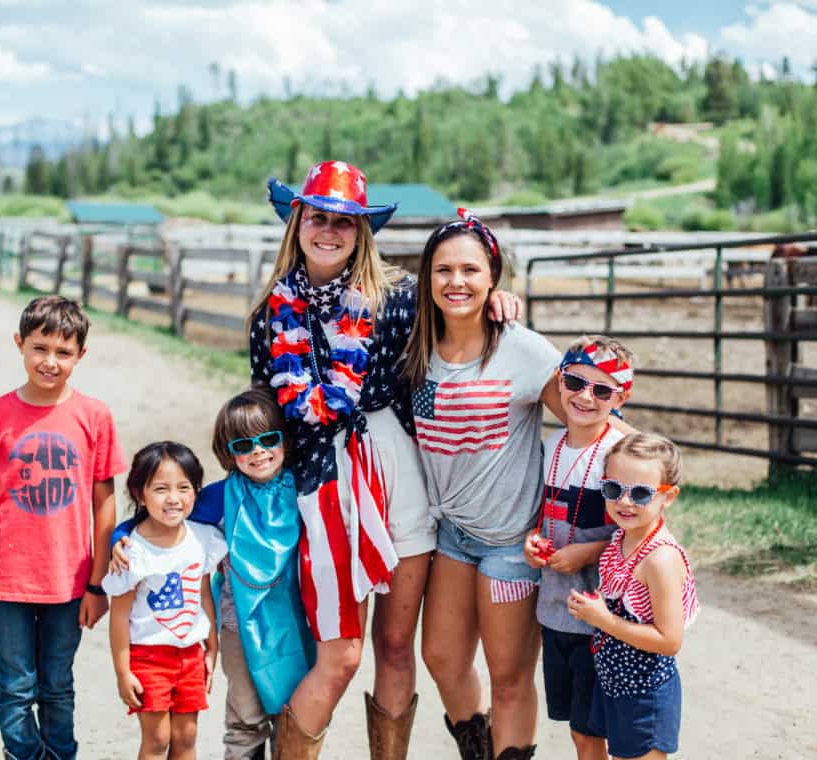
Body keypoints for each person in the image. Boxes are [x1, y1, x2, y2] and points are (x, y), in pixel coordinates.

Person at [253, 161, 519, 759]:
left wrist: (495, 296)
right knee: (340, 654)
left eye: (345, 221)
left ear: (362, 231)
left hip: (398, 470)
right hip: (320, 482)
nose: (330, 230)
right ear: (297, 222)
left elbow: (458, 312)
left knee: (396, 645)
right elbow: (263, 410)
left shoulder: (398, 295)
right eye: (318, 216)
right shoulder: (272, 311)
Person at [398, 210, 566, 760]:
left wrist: (642, 469)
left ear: (493, 276)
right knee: (443, 658)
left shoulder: (521, 349)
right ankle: (478, 746)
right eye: (443, 270)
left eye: (470, 269)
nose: (456, 281)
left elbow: (583, 415)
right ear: (427, 279)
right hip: (453, 535)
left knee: (509, 675)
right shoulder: (416, 347)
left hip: (511, 543)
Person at [0, 295, 125, 760]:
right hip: (7, 580)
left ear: (81, 355)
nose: (49, 362)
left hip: (69, 582)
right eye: (39, 348)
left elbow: (104, 502)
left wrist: (98, 583)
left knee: (57, 686)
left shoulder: (94, 416)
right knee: (15, 687)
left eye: (63, 352)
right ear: (19, 344)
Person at [111, 387, 314, 760]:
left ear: (285, 440)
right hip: (238, 624)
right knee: (245, 715)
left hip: (295, 621)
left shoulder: (304, 487)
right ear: (228, 451)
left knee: (294, 713)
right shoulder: (221, 496)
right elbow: (161, 518)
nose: (258, 451)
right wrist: (120, 536)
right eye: (243, 445)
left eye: (268, 439)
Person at [523, 336, 636, 760]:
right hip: (555, 613)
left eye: (602, 390)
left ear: (620, 397)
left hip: (600, 619)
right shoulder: (550, 447)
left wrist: (586, 554)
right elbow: (541, 516)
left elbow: (640, 530)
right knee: (577, 730)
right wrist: (532, 543)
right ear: (560, 380)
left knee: (595, 732)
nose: (585, 397)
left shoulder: (619, 456)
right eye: (575, 382)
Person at [567, 433, 701, 760]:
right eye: (613, 490)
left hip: (645, 694)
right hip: (613, 682)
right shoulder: (622, 537)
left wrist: (603, 619)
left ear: (668, 497)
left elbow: (669, 640)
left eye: (641, 493)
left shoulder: (660, 560)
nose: (625, 502)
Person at [102, 441, 226, 760]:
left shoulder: (202, 538)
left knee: (187, 737)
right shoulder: (132, 551)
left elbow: (202, 594)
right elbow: (119, 615)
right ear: (139, 493)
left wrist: (212, 646)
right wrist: (122, 671)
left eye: (184, 487)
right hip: (148, 659)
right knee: (157, 740)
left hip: (191, 656)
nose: (173, 498)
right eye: (160, 488)